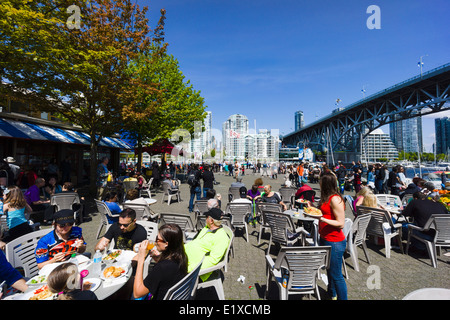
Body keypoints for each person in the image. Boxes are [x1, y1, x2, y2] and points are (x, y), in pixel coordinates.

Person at [307, 171, 347, 300]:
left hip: (334, 241)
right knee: (330, 270)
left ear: (326, 184)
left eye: (320, 182)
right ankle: (332, 294)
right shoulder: (326, 197)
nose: (318, 184)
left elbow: (340, 223)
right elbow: (323, 212)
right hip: (325, 238)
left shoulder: (335, 199)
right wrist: (311, 207)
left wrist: (322, 219)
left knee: (337, 275)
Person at [133, 224, 188, 300]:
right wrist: (159, 258)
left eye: (157, 239)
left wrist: (141, 259)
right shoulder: (182, 257)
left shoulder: (161, 268)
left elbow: (137, 293)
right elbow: (169, 269)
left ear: (166, 244)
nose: (155, 241)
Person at [184, 207, 230, 281]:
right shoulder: (207, 228)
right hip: (183, 257)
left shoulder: (221, 237)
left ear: (211, 220)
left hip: (191, 269)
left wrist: (189, 268)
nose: (205, 219)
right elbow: (196, 242)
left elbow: (212, 260)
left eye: (206, 217)